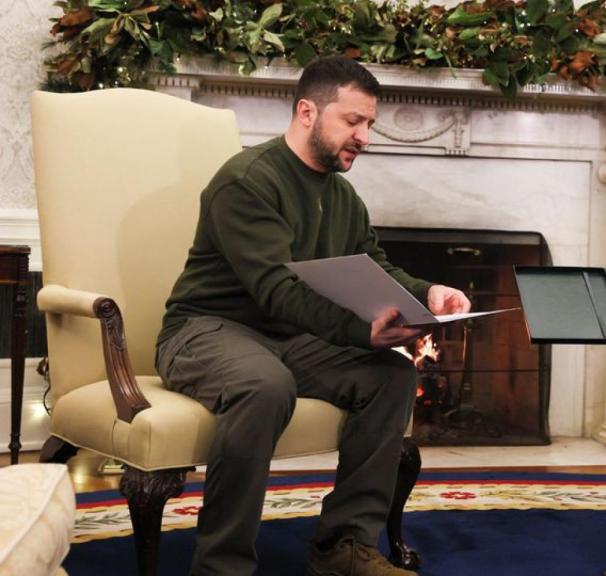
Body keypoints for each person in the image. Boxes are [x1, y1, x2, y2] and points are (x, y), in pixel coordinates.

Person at [155, 56, 470, 576]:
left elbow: (375, 267)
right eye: (353, 121)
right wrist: (358, 330)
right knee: (264, 384)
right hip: (205, 330)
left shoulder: (343, 196)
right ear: (307, 111)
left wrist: (429, 292)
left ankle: (343, 547)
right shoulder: (247, 181)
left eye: (369, 123)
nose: (365, 136)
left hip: (289, 338)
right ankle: (221, 566)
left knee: (390, 375)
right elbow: (278, 288)